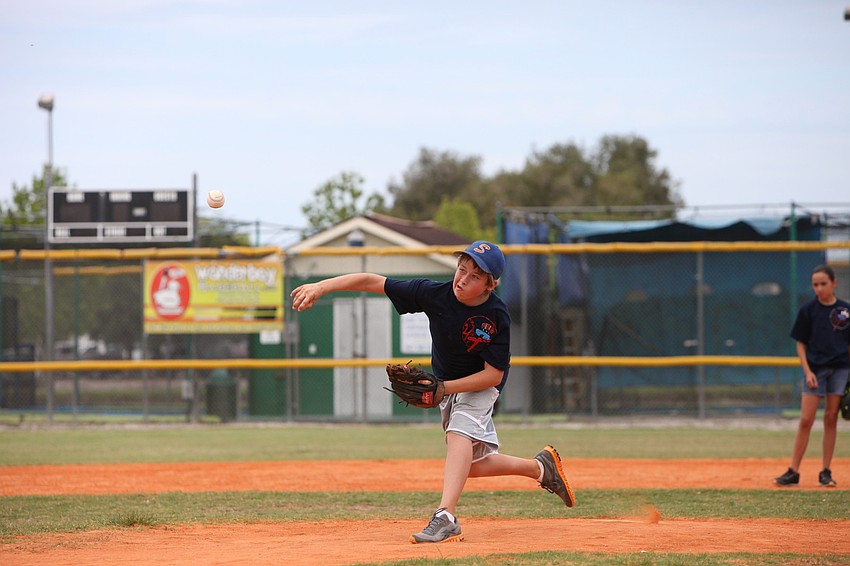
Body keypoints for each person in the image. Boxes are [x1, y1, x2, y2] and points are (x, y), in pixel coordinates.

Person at [290, 240, 574, 543]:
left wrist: (443, 388)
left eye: (474, 276)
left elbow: (493, 375)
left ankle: (446, 517)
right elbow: (372, 280)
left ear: (490, 284)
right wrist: (322, 286)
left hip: (479, 385)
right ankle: (540, 468)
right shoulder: (434, 294)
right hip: (448, 387)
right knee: (470, 466)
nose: (462, 280)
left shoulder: (496, 315)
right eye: (461, 270)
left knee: (458, 434)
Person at [775, 264, 850, 487]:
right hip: (816, 370)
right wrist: (807, 372)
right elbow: (801, 345)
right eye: (815, 284)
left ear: (834, 283)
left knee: (830, 418)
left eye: (823, 284)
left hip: (841, 369)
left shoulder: (845, 311)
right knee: (806, 420)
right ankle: (793, 471)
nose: (819, 288)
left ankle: (825, 471)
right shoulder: (808, 311)